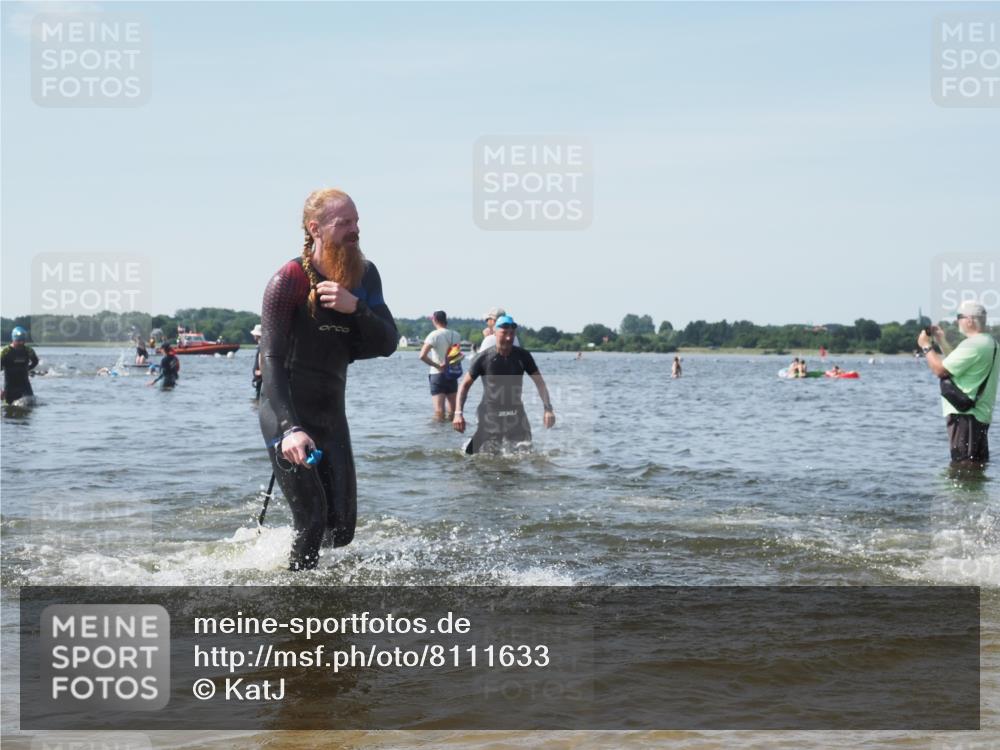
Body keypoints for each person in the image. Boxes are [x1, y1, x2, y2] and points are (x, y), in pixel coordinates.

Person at [258, 188, 397, 571]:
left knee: (342, 529)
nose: (354, 230)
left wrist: (356, 308)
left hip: (331, 413)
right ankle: (300, 608)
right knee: (312, 519)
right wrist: (289, 429)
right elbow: (268, 358)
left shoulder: (365, 275)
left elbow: (387, 342)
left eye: (356, 221)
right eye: (344, 223)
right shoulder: (288, 280)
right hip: (286, 412)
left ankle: (308, 579)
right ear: (315, 228)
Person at [453, 315, 555, 453]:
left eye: (512, 334)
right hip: (490, 416)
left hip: (516, 414)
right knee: (471, 457)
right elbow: (464, 385)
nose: (508, 338)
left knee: (527, 455)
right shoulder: (483, 358)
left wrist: (548, 409)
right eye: (504, 333)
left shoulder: (523, 356)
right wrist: (458, 413)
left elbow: (540, 383)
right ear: (495, 332)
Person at [918, 301, 999, 466]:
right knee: (975, 466)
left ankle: (961, 493)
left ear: (969, 320)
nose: (957, 322)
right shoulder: (990, 343)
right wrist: (941, 340)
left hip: (965, 416)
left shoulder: (974, 344)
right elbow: (956, 361)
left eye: (959, 317)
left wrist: (926, 346)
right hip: (979, 415)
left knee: (962, 466)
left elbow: (941, 370)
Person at [419, 310, 462, 420]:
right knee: (452, 412)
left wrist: (437, 366)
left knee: (439, 412)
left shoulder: (433, 335)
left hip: (437, 375)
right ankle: (452, 434)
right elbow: (456, 355)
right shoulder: (456, 335)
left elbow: (422, 356)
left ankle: (439, 435)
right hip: (452, 374)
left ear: (435, 320)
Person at [1, 327, 39, 405]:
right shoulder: (5, 352)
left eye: (23, 341)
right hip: (9, 388)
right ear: (13, 339)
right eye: (18, 341)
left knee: (30, 407)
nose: (21, 343)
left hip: (25, 386)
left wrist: (27, 369)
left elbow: (35, 361)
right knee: (9, 410)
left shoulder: (29, 350)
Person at [250, 323, 263, 400]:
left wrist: (261, 371)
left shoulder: (261, 346)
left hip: (260, 378)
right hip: (259, 377)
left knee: (259, 398)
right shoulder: (261, 345)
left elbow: (260, 358)